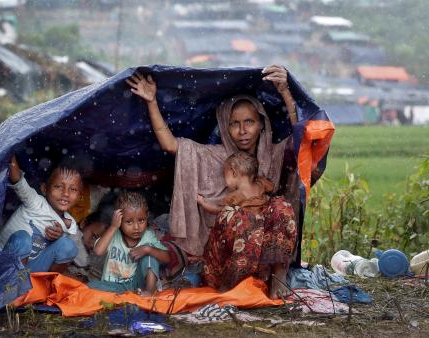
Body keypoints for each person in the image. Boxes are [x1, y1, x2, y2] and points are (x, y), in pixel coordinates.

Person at [126, 65, 299, 298]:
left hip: (261, 261)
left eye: (249, 122)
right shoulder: (216, 155)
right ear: (226, 128)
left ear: (261, 124)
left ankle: (278, 277)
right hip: (223, 262)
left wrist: (286, 93)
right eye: (234, 123)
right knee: (242, 218)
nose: (242, 131)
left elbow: (301, 144)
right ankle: (230, 288)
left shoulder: (273, 156)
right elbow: (171, 145)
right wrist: (151, 101)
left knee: (281, 207)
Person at [197, 151, 296, 293]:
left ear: (233, 173)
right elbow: (271, 188)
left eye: (225, 175)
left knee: (280, 207)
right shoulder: (261, 184)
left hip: (254, 246)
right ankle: (232, 282)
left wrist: (203, 202)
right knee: (257, 215)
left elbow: (218, 209)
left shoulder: (234, 197)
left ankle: (277, 275)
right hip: (246, 250)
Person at [0, 156, 80, 273]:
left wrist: (59, 237)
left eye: (73, 189)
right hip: (5, 262)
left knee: (69, 247)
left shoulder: (70, 224)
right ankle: (12, 284)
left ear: (79, 197)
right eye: (58, 186)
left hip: (32, 269)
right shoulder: (35, 201)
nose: (65, 193)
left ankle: (44, 284)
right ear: (45, 188)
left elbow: (63, 253)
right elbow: (17, 179)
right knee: (23, 239)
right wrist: (10, 153)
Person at [88, 191, 171, 295]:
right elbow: (98, 251)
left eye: (141, 220)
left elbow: (167, 257)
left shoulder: (148, 236)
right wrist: (113, 227)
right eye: (129, 222)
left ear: (147, 216)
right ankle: (126, 296)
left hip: (137, 285)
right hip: (113, 285)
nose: (136, 227)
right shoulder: (113, 233)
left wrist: (147, 249)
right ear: (119, 220)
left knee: (150, 255)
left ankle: (149, 292)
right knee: (91, 286)